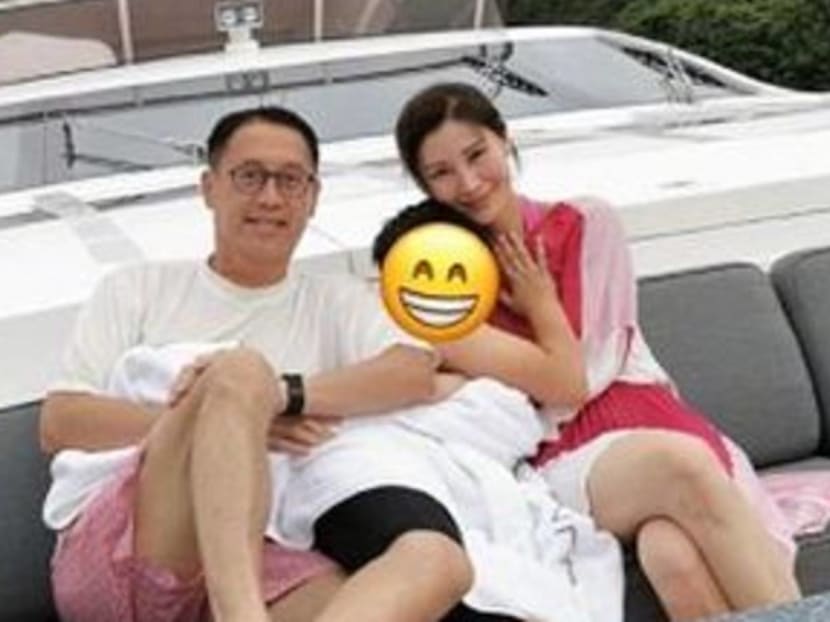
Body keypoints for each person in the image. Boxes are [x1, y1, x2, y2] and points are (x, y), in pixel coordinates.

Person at [39, 106, 483, 622]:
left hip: (266, 556)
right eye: (249, 177)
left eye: (290, 180)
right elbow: (60, 422)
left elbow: (410, 371)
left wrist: (280, 397)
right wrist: (229, 422)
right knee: (239, 371)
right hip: (132, 540)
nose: (271, 197)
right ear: (209, 188)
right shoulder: (136, 288)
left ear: (312, 197)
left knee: (435, 569)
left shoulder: (334, 301)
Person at [388, 82, 802, 621]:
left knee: (671, 553)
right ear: (423, 185)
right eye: (442, 172)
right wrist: (542, 311)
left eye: (476, 154)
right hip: (556, 453)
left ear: (504, 140)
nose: (468, 182)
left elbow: (594, 367)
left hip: (646, 416)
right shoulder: (441, 277)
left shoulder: (586, 222)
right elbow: (560, 389)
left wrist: (534, 329)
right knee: (683, 467)